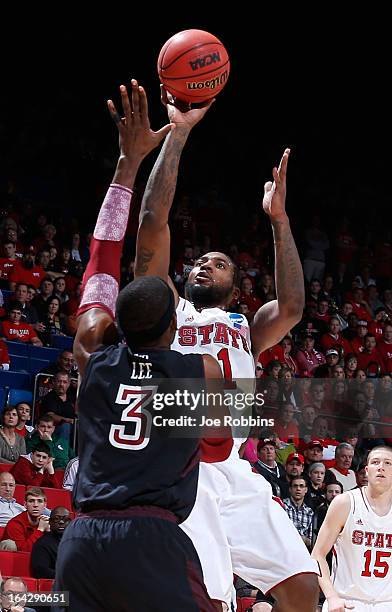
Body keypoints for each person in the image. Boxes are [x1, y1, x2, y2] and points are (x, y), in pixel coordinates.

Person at [134, 87, 319, 609]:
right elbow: (152, 226)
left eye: (217, 263)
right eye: (198, 262)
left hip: (235, 463)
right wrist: (180, 134)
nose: (202, 266)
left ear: (235, 284)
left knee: (303, 586)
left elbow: (293, 307)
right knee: (208, 599)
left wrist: (279, 221)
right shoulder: (167, 310)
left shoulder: (246, 324)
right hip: (180, 461)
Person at [54, 79, 223, 612]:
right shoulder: (205, 372)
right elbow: (220, 443)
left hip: (81, 543)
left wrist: (127, 164)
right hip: (151, 541)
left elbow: (103, 257)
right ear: (175, 322)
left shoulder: (92, 352)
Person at [312, 445, 392, 611]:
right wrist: (331, 596)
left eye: (388, 463)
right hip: (346, 602)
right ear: (367, 471)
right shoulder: (345, 503)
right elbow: (317, 555)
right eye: (376, 462)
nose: (381, 467)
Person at [0, 486, 50, 552]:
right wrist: (40, 530)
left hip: (39, 559)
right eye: (31, 501)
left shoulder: (46, 522)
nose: (35, 505)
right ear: (25, 505)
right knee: (9, 544)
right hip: (15, 559)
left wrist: (50, 533)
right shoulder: (15, 524)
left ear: (45, 505)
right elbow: (23, 551)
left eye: (39, 501)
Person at [31, 506, 71, 578]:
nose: (61, 522)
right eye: (56, 519)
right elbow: (40, 570)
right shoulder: (42, 544)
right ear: (50, 522)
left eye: (65, 519)